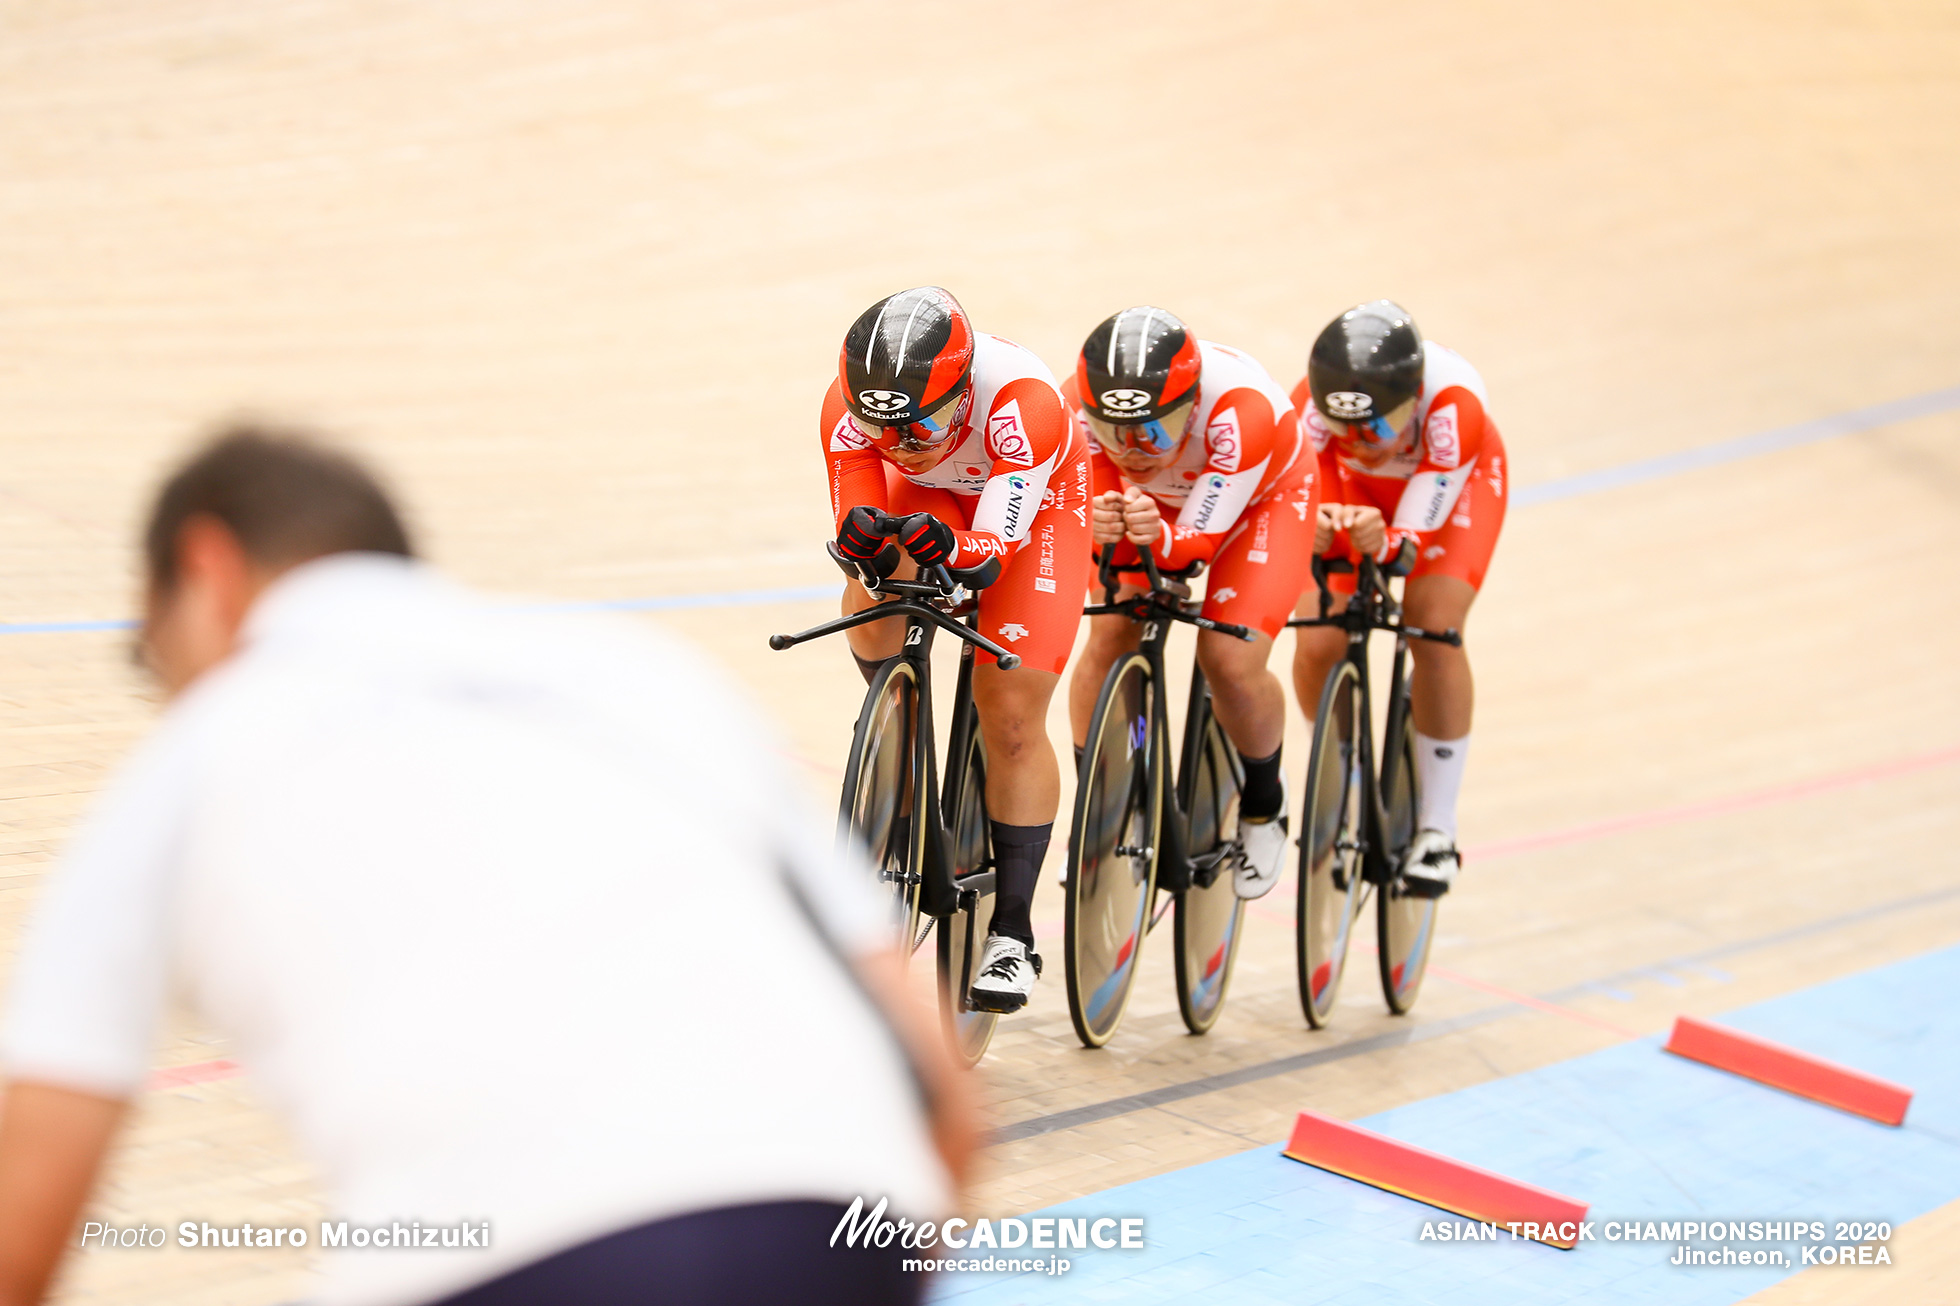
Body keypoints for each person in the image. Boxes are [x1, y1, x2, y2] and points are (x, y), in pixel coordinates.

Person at [0, 428, 972, 1306]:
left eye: (150, 654)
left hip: (501, 1257)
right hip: (837, 1219)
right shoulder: (639, 671)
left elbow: (23, 1217)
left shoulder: (193, 757)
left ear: (207, 570)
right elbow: (939, 1095)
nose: (165, 688)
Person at [822, 287, 1090, 1012]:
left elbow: (994, 552)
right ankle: (896, 726)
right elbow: (857, 511)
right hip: (935, 499)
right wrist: (862, 543)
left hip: (1035, 519)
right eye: (885, 430)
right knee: (874, 593)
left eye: (923, 422)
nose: (904, 442)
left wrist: (959, 546)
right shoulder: (850, 413)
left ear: (964, 391)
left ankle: (1011, 932)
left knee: (1008, 709)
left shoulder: (1023, 404)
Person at [1063, 307, 1317, 899]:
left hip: (1260, 505)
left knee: (1229, 660)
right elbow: (1084, 497)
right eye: (1113, 431)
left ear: (1193, 405)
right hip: (1157, 504)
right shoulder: (1073, 404)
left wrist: (1149, 534)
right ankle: (1100, 809)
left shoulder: (1242, 413)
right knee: (1108, 635)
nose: (1132, 448)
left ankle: (1264, 804)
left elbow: (1192, 549)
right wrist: (1095, 523)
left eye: (1153, 430)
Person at [1290, 301, 1508, 896]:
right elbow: (1294, 494)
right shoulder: (1307, 411)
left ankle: (1437, 828)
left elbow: (1411, 541)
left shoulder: (1454, 406)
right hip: (1348, 493)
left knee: (1432, 628)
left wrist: (1388, 542)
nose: (1361, 443)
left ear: (1414, 401)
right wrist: (1314, 525)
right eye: (1344, 430)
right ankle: (1343, 782)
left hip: (1448, 490)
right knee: (1317, 637)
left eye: (1378, 427)